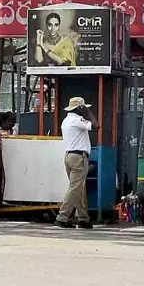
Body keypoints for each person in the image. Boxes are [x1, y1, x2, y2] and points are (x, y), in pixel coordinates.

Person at [57, 96, 96, 230]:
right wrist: (88, 112)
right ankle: (62, 217)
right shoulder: (78, 120)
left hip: (69, 156)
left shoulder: (66, 121)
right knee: (75, 188)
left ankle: (83, 218)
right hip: (78, 157)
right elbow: (96, 126)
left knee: (78, 189)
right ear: (79, 108)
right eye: (83, 108)